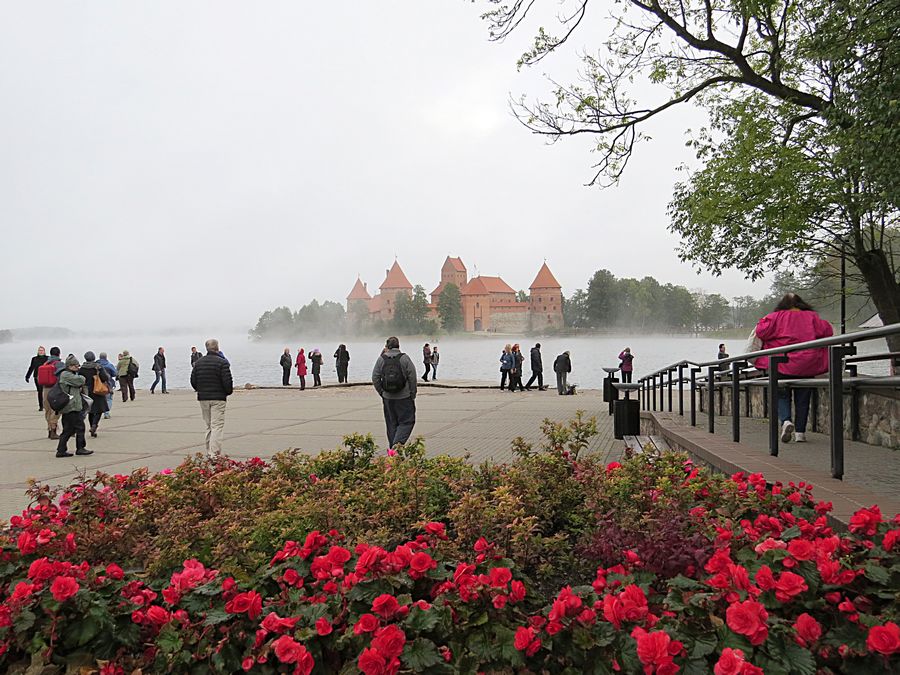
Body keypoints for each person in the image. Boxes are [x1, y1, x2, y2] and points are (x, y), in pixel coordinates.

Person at [754, 293, 833, 443]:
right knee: (803, 398)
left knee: (781, 394)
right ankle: (800, 433)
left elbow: (761, 331)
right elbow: (827, 331)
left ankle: (786, 421)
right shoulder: (812, 317)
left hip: (781, 363)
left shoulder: (776, 317)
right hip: (807, 364)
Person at [372, 336, 417, 449]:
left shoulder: (381, 359)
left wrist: (381, 392)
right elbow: (412, 377)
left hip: (388, 398)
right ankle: (396, 448)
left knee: (391, 424)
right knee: (407, 422)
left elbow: (375, 377)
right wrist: (412, 393)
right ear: (398, 346)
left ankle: (393, 451)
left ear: (387, 346)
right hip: (404, 397)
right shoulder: (405, 358)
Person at [190, 338, 233, 456]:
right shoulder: (222, 362)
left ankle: (209, 451)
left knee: (209, 425)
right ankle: (214, 454)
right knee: (217, 426)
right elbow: (227, 381)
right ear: (217, 347)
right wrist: (227, 392)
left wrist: (200, 390)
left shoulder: (198, 363)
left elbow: (193, 380)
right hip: (218, 397)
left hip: (203, 397)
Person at [55, 355, 93, 457]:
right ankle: (80, 448)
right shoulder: (66, 375)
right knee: (79, 427)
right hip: (71, 407)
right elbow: (81, 380)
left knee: (68, 429)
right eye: (76, 366)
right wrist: (81, 377)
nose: (78, 368)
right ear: (70, 366)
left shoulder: (67, 374)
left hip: (70, 406)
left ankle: (61, 450)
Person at [78, 352, 110, 438]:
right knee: (99, 410)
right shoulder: (98, 367)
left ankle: (92, 424)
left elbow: (79, 380)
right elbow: (105, 378)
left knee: (90, 411)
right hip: (97, 390)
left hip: (86, 391)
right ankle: (94, 425)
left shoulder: (82, 368)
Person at [38, 347, 63, 439]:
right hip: (55, 389)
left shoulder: (45, 363)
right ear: (59, 354)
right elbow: (62, 377)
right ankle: (53, 431)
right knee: (56, 410)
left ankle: (49, 429)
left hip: (45, 389)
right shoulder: (59, 364)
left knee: (47, 410)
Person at [25, 346, 49, 411]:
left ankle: (47, 405)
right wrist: (27, 376)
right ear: (38, 351)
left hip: (45, 377)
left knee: (46, 391)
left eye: (42, 350)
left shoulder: (48, 358)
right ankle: (41, 406)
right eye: (39, 350)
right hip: (37, 377)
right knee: (40, 391)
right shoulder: (34, 359)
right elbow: (31, 368)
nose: (41, 352)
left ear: (44, 351)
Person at [98, 352, 118, 418]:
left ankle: (98, 412)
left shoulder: (96, 365)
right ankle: (106, 413)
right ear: (106, 357)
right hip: (107, 384)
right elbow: (115, 373)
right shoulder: (109, 365)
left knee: (98, 399)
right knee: (109, 399)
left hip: (97, 385)